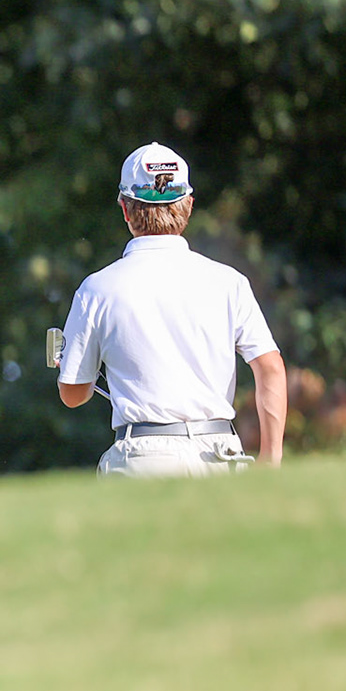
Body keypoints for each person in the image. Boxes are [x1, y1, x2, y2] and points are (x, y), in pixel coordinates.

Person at [56, 142, 287, 476]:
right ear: (188, 205)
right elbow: (271, 368)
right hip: (220, 455)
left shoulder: (97, 288)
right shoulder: (228, 282)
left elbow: (73, 394)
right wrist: (271, 462)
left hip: (142, 459)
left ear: (125, 208)